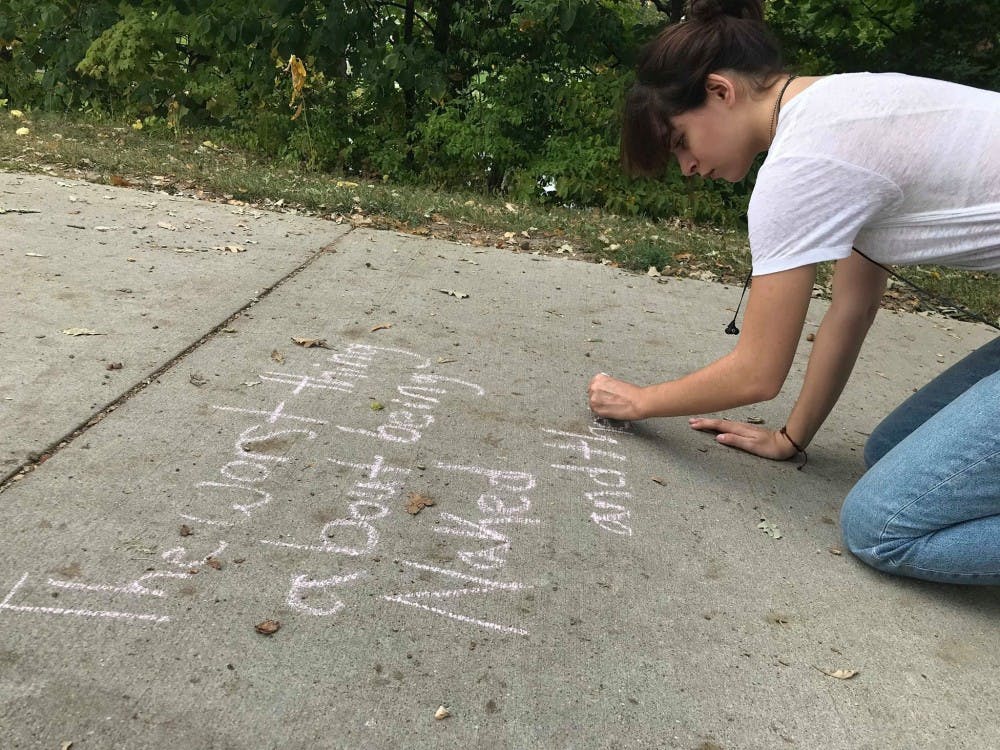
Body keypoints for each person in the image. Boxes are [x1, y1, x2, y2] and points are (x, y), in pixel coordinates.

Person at [587, 0, 1000, 585]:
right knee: (890, 451)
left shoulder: (802, 164)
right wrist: (790, 436)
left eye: (680, 141)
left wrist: (641, 402)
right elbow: (852, 309)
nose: (686, 166)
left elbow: (757, 371)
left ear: (720, 90)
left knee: (883, 525)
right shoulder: (838, 105)